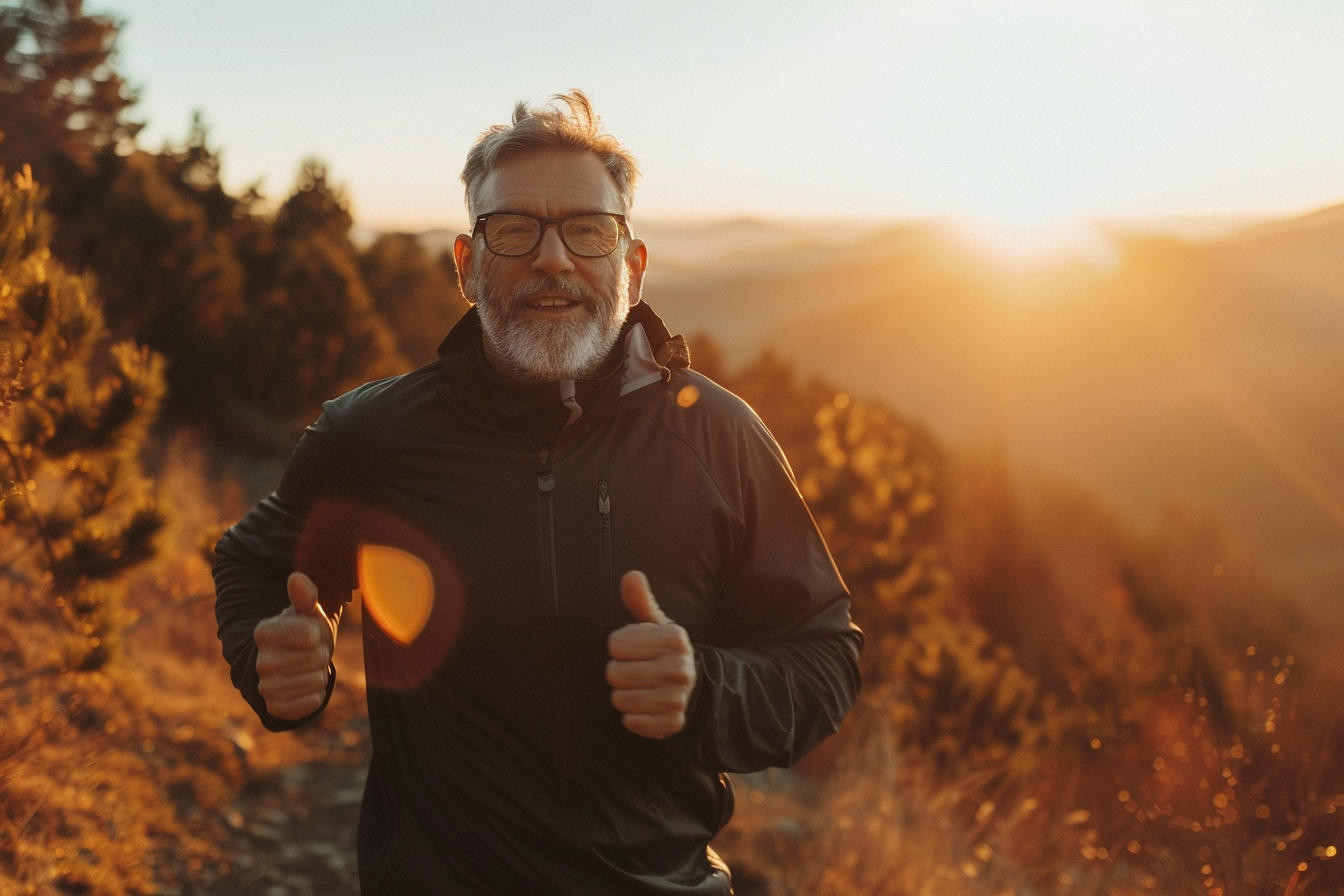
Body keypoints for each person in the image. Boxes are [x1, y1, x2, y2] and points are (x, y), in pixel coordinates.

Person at [213, 90, 862, 895]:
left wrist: (704, 688)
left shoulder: (717, 438)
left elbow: (824, 656)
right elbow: (252, 562)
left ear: (631, 265)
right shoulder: (372, 436)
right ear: (465, 264)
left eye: (587, 231)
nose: (552, 259)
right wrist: (269, 657)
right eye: (513, 229)